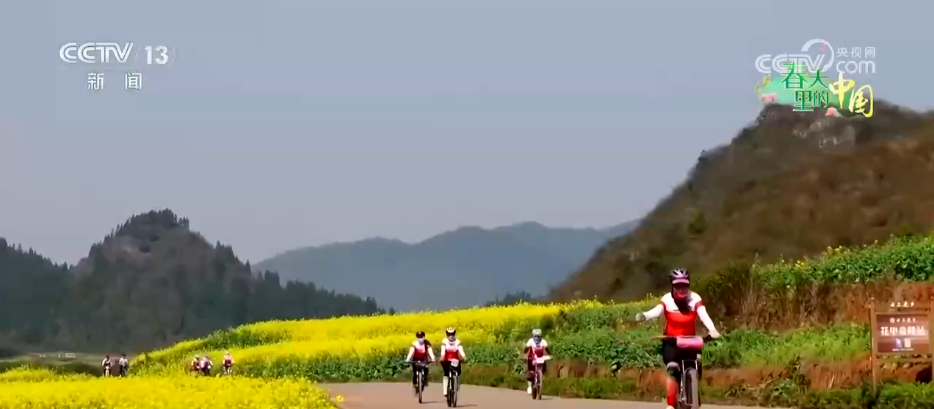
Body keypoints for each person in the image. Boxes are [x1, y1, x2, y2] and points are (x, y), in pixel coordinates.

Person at [635, 268, 721, 409]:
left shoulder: (695, 298)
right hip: (671, 342)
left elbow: (703, 314)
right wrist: (644, 315)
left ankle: (693, 389)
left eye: (684, 285)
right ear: (672, 285)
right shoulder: (667, 299)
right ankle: (671, 404)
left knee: (698, 361)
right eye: (677, 285)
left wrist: (712, 329)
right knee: (672, 369)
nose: (681, 289)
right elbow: (656, 312)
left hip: (690, 341)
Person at [438, 328, 466, 397]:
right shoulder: (444, 341)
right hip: (446, 360)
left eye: (452, 334)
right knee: (446, 374)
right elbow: (443, 351)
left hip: (455, 360)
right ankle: (445, 391)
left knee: (458, 373)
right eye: (449, 334)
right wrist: (442, 357)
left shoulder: (457, 342)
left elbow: (461, 350)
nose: (451, 336)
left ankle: (456, 384)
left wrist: (464, 356)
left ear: (454, 334)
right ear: (447, 334)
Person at [523, 329, 550, 394]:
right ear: (533, 336)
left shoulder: (543, 341)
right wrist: (525, 355)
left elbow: (547, 349)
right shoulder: (530, 341)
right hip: (532, 358)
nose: (537, 338)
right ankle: (529, 386)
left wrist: (550, 355)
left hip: (540, 358)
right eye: (535, 336)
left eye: (538, 336)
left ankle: (540, 378)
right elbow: (526, 349)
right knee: (530, 372)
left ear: (541, 336)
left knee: (544, 368)